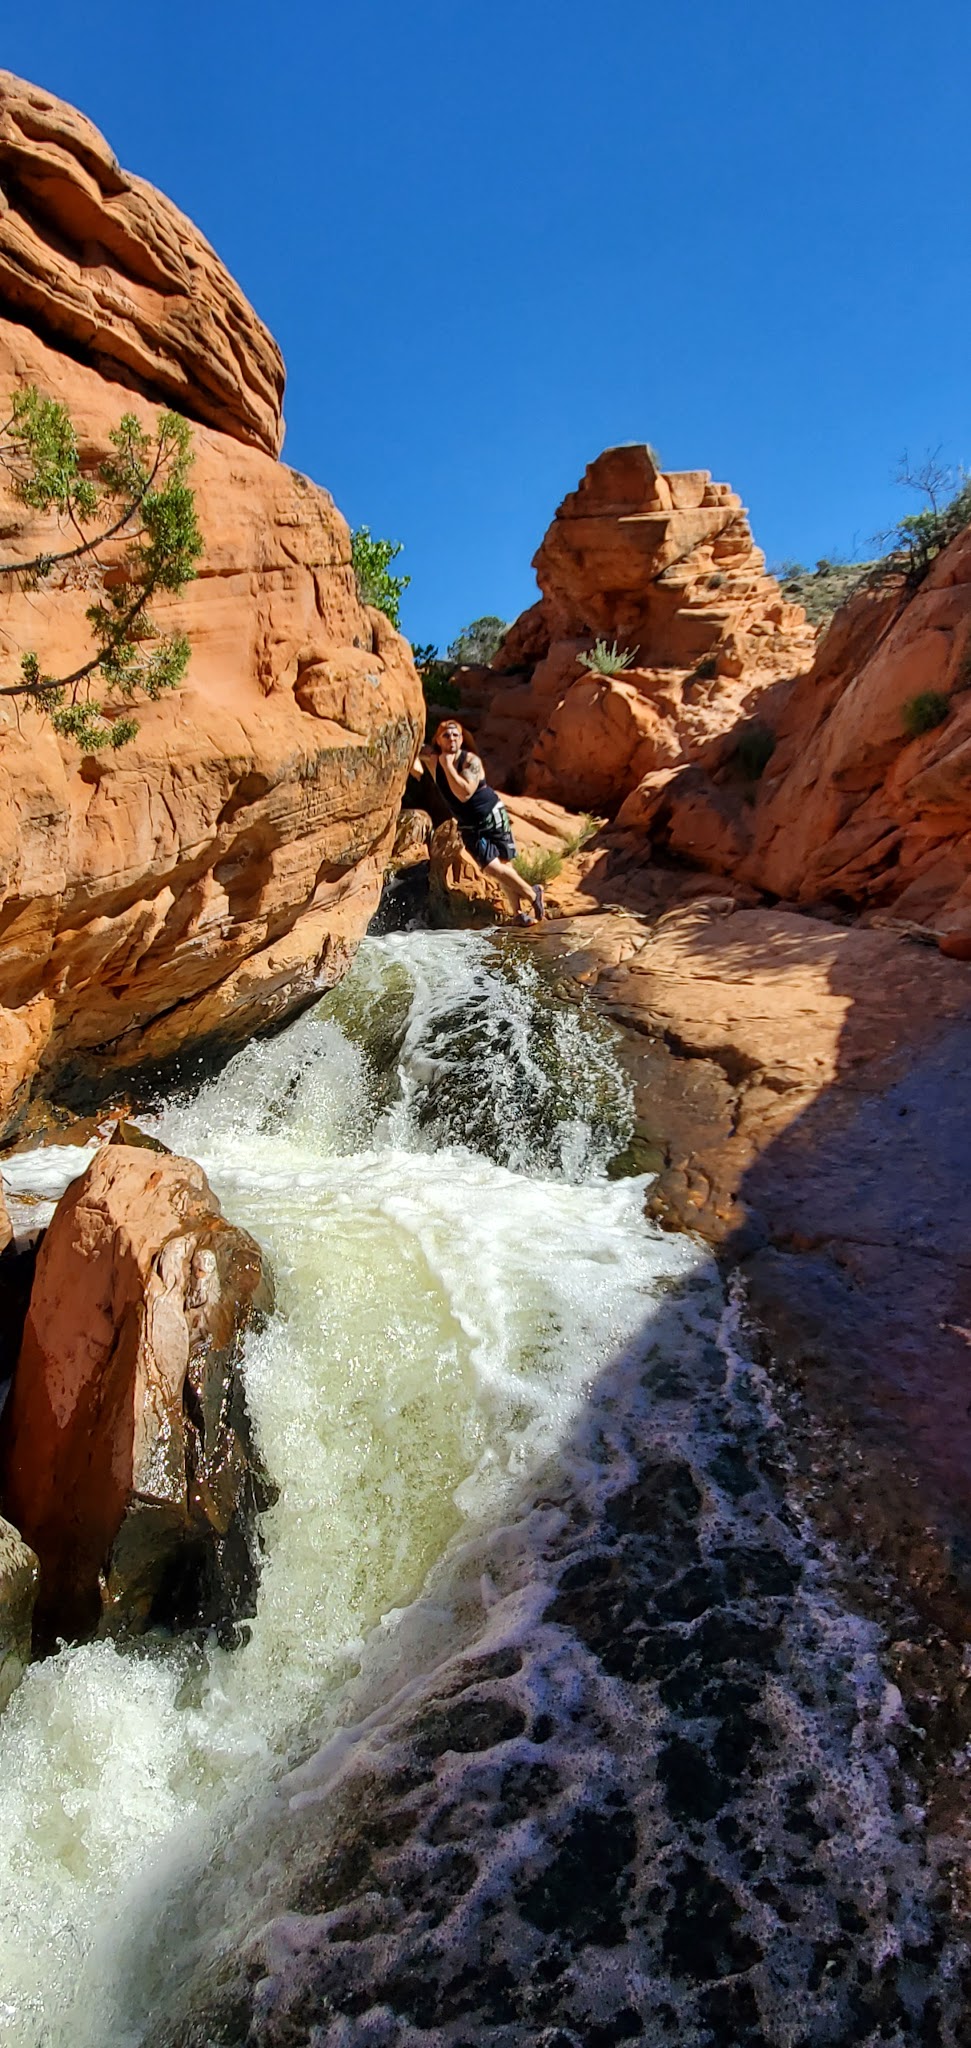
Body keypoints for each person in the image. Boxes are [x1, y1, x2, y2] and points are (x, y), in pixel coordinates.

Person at [410, 719, 545, 922]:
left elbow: (464, 793)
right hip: (468, 823)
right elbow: (409, 750)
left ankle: (529, 899)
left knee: (500, 865)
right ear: (438, 739)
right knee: (495, 867)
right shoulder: (432, 758)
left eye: (456, 735)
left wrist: (448, 767)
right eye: (446, 735)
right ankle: (524, 906)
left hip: (490, 814)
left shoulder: (470, 761)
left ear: (462, 738)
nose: (452, 739)